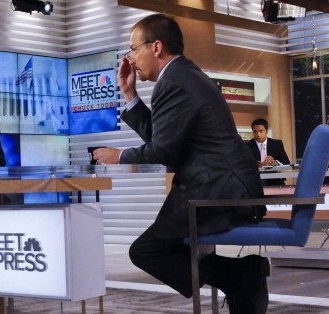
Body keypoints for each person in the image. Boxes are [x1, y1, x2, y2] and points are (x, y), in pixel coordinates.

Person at [91, 14, 269, 313]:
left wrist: (118, 156)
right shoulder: (183, 75)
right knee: (158, 248)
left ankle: (241, 275)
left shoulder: (174, 82)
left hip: (218, 192)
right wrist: (129, 93)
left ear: (156, 47)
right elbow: (166, 140)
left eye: (133, 49)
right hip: (223, 187)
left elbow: (162, 151)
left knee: (147, 251)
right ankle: (241, 277)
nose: (130, 58)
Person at [248, 118, 291, 186]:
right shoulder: (247, 146)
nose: (258, 134)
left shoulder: (277, 144)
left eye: (261, 131)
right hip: (254, 181)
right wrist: (259, 164)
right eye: (255, 131)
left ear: (267, 131)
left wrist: (275, 163)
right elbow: (244, 163)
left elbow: (286, 161)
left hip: (275, 180)